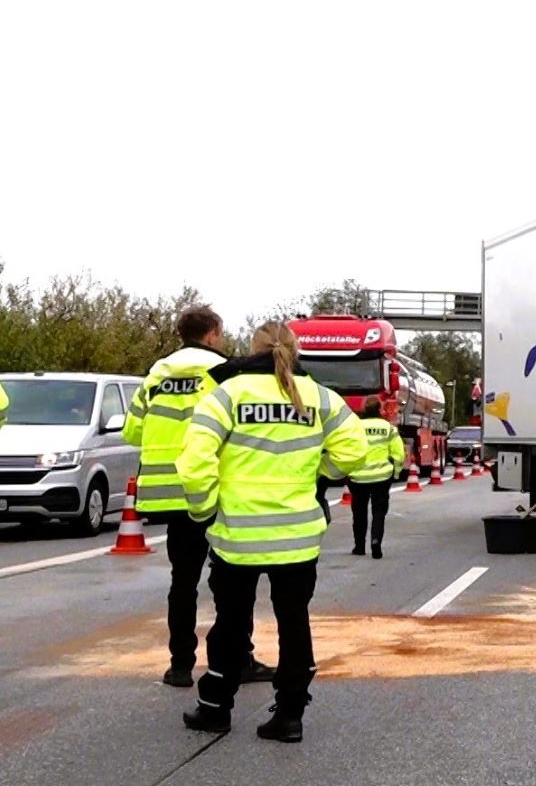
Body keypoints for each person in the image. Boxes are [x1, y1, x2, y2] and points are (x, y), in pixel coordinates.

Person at [176, 321, 366, 742]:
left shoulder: (227, 394)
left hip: (237, 537)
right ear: (293, 351)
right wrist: (320, 476)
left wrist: (204, 508)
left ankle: (215, 709)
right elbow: (354, 450)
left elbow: (193, 462)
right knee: (294, 623)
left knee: (230, 624)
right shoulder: (319, 396)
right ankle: (290, 716)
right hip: (298, 538)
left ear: (253, 349)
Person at [122, 306, 274, 689]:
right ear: (213, 333)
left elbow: (132, 433)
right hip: (215, 490)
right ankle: (238, 659)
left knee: (183, 582)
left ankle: (180, 666)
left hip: (168, 495)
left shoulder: (156, 374)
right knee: (231, 581)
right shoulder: (225, 372)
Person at [347, 398, 405, 558]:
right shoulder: (388, 428)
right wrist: (397, 472)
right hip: (381, 476)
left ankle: (359, 546)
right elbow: (398, 453)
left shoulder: (355, 427)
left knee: (359, 512)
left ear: (364, 409)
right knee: (379, 512)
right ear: (380, 409)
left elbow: (346, 449)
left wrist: (346, 471)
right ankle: (376, 541)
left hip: (358, 477)